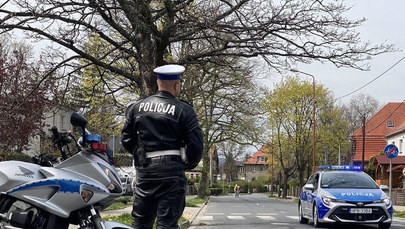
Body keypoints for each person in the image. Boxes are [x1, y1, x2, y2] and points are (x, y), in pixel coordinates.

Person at [121, 64, 203, 229]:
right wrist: (189, 163)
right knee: (167, 224)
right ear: (176, 84)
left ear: (158, 82)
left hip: (145, 173)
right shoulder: (184, 110)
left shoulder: (136, 108)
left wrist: (139, 154)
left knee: (140, 223)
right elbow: (196, 144)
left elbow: (126, 137)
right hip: (171, 173)